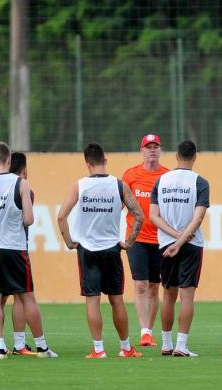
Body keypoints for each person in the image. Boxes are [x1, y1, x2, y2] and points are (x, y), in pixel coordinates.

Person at [57, 143, 144, 359]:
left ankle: (98, 350)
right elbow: (139, 215)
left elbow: (61, 216)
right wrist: (129, 241)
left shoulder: (79, 186)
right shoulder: (119, 185)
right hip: (112, 249)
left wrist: (69, 241)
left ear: (87, 164)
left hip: (87, 250)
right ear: (105, 161)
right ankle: (126, 348)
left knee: (92, 299)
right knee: (117, 299)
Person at [0, 142, 57, 360]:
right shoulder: (20, 183)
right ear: (9, 160)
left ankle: (1, 347)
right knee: (27, 297)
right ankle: (41, 347)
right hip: (13, 247)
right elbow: (29, 219)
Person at [149, 140, 209, 357]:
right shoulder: (200, 182)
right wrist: (182, 239)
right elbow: (199, 216)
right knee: (186, 297)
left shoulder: (161, 181)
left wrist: (174, 238)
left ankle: (166, 344)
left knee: (168, 295)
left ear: (176, 156)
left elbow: (153, 216)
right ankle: (181, 346)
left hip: (165, 244)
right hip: (191, 244)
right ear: (194, 157)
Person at [122, 134, 169, 346]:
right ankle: (144, 332)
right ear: (142, 150)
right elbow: (119, 205)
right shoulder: (131, 175)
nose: (152, 150)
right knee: (140, 284)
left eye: (155, 146)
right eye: (148, 147)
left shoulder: (167, 176)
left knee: (154, 287)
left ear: (160, 150)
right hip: (137, 238)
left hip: (160, 239)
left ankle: (149, 329)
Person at [0, 152, 36, 356]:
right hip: (15, 248)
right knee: (20, 297)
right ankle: (20, 344)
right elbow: (26, 219)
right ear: (24, 170)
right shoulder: (25, 189)